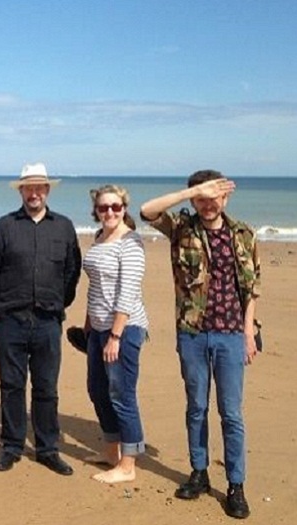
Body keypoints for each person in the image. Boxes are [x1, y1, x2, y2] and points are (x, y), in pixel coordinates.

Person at [139, 170, 261, 519]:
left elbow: (253, 286)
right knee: (196, 407)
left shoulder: (244, 235)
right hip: (192, 332)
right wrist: (190, 191)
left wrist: (249, 331)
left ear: (226, 198)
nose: (208, 204)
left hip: (231, 335)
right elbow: (148, 210)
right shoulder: (181, 228)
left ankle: (236, 484)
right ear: (194, 198)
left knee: (231, 413)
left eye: (214, 197)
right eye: (202, 198)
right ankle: (199, 472)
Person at [0, 162, 81, 476]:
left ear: (47, 190)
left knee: (46, 388)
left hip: (48, 321)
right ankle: (11, 446)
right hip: (9, 319)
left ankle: (47, 448)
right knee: (11, 385)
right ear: (21, 191)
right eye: (29, 187)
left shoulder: (63, 226)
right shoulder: (4, 226)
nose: (34, 192)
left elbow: (71, 272)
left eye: (40, 187)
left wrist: (58, 304)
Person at [82, 185, 149, 484]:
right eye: (103, 207)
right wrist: (88, 323)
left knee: (121, 394)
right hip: (97, 328)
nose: (110, 212)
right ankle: (111, 451)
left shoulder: (130, 242)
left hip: (125, 328)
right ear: (95, 211)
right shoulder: (99, 238)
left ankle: (128, 464)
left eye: (116, 207)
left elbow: (127, 291)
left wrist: (116, 336)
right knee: (97, 390)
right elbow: (95, 286)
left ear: (124, 208)